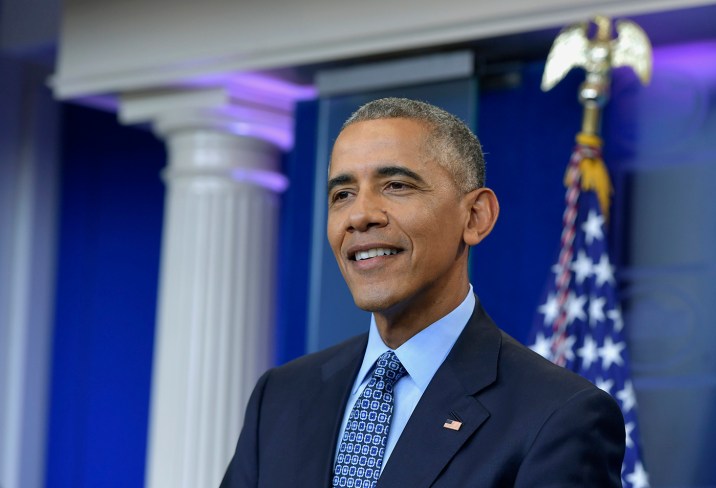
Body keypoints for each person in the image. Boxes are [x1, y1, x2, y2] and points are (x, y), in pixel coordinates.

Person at [221, 97, 625, 487]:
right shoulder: (280, 396)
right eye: (342, 195)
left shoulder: (559, 414)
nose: (360, 215)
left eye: (396, 185)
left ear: (475, 217)